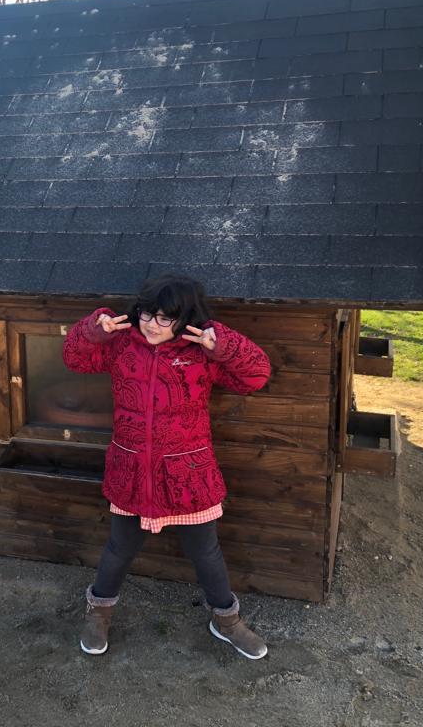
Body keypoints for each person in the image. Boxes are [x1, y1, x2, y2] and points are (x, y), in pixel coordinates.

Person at [62, 273, 272, 660]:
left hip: (188, 475)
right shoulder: (121, 345)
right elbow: (74, 358)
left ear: (185, 318)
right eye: (147, 314)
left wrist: (223, 345)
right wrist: (94, 330)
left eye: (165, 318)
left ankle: (227, 621)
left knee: (206, 553)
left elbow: (256, 376)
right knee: (118, 549)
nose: (152, 324)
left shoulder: (200, 352)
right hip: (130, 471)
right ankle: (99, 611)